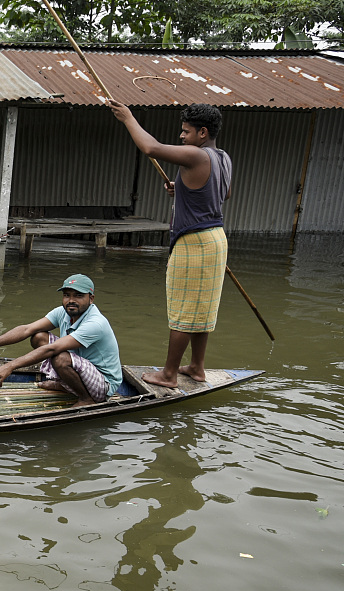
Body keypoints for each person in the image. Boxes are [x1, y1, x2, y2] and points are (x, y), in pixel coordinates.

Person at [109, 100, 231, 388]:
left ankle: (169, 374)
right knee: (203, 308)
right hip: (215, 239)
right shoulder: (222, 157)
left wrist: (128, 118)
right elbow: (221, 194)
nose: (181, 136)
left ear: (203, 133)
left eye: (186, 132)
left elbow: (150, 148)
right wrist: (184, 190)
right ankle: (197, 367)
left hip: (195, 242)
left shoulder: (197, 155)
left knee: (184, 310)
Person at [0, 274, 122, 408]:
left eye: (78, 296)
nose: (71, 300)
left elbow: (51, 350)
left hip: (104, 383)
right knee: (39, 337)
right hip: (82, 368)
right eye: (67, 295)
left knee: (60, 357)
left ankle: (86, 399)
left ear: (91, 299)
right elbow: (27, 329)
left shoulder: (95, 323)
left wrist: (10, 366)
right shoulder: (63, 312)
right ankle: (65, 384)